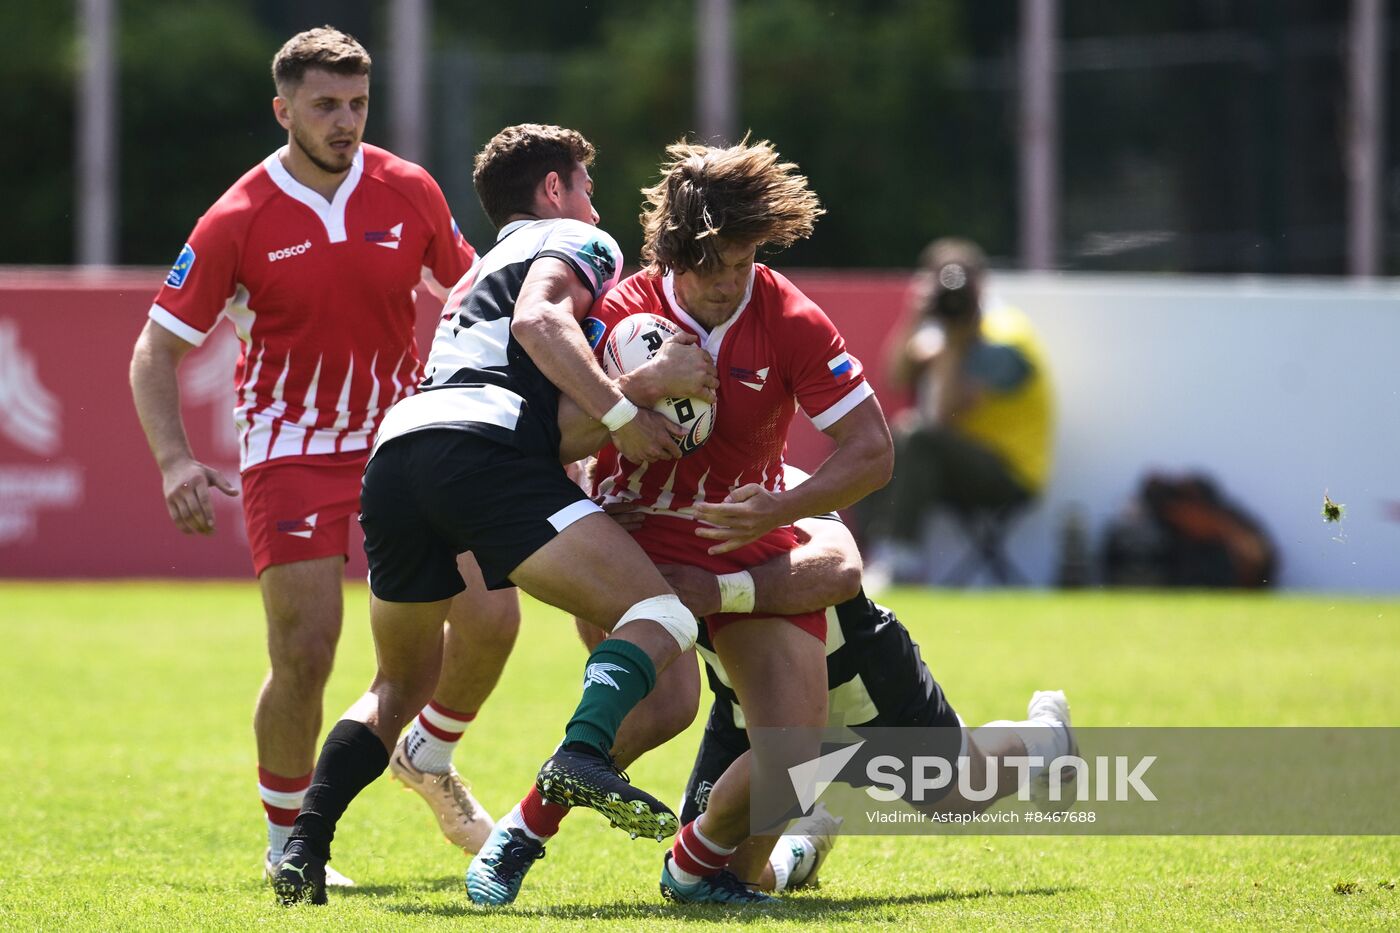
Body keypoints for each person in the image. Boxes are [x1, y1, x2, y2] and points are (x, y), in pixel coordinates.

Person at [272, 123, 719, 906]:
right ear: (554, 190)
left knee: (398, 679)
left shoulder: (481, 269)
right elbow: (539, 326)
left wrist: (630, 395)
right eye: (586, 185)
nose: (594, 201)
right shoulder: (580, 242)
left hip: (401, 452)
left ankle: (303, 846)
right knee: (661, 614)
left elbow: (536, 401)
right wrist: (626, 407)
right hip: (483, 454)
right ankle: (582, 755)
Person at [466, 137, 895, 907]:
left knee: (797, 754)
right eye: (712, 266)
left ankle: (693, 865)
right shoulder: (624, 309)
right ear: (672, 251)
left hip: (747, 536)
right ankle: (522, 832)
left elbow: (872, 450)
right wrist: (641, 386)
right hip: (637, 540)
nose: (730, 283)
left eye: (744, 262)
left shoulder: (789, 315)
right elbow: (560, 437)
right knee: (666, 706)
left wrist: (782, 505)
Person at [128, 26, 507, 886]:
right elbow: (154, 351)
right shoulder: (238, 216)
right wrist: (174, 462)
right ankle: (285, 844)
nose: (345, 121)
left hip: (407, 441)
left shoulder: (407, 190)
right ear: (283, 109)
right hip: (291, 449)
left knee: (490, 616)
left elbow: (479, 294)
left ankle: (430, 754)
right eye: (326, 105)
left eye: (358, 104)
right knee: (305, 652)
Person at [663, 490, 1077, 894]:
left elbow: (840, 570)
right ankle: (802, 849)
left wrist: (722, 590)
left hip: (857, 676)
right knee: (717, 879)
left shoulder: (773, 476)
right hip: (750, 700)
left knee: (962, 794)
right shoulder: (629, 508)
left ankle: (1049, 734)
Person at [865, 238, 1054, 585]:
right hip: (964, 464)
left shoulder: (1004, 336)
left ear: (982, 284)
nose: (952, 297)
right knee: (874, 444)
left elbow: (947, 413)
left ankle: (899, 561)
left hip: (1009, 472)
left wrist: (954, 341)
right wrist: (914, 316)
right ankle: (870, 553)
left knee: (916, 436)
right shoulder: (943, 333)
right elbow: (895, 378)